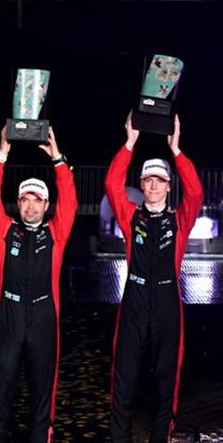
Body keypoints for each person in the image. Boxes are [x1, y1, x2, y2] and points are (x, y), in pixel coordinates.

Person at [106, 115, 203, 443]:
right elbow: (111, 185)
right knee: (123, 378)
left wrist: (176, 151)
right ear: (143, 183)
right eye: (148, 180)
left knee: (165, 381)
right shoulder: (131, 215)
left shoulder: (180, 219)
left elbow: (196, 192)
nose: (153, 186)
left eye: (159, 180)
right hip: (133, 300)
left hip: (166, 304)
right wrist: (129, 143)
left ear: (168, 184)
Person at [0, 127, 77, 442]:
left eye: (37, 201)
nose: (31, 206)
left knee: (41, 393)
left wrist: (57, 160)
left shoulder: (56, 233)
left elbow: (71, 202)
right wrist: (1, 154)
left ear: (46, 205)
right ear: (18, 203)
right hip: (9, 316)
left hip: (42, 317)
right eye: (25, 199)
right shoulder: (4, 229)